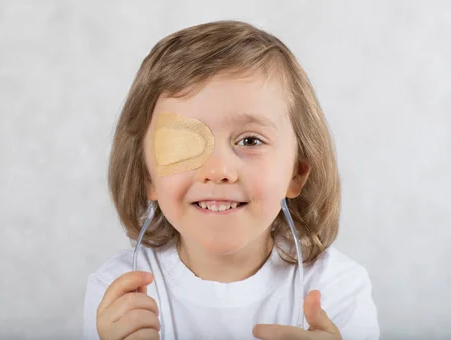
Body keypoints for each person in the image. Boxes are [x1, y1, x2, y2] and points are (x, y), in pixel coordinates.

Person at [83, 20, 379, 340]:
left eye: (250, 141)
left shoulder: (337, 290)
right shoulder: (118, 298)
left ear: (297, 173)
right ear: (146, 176)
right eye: (184, 143)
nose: (218, 170)